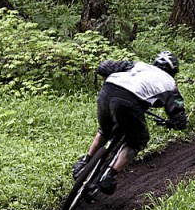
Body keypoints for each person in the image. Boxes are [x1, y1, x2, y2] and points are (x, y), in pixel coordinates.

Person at [74, 51, 188, 195]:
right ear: (173, 71)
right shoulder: (170, 83)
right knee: (138, 139)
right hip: (127, 101)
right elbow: (177, 111)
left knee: (105, 130)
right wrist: (176, 123)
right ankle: (110, 176)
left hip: (107, 90)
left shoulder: (138, 65)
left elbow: (105, 67)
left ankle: (84, 162)